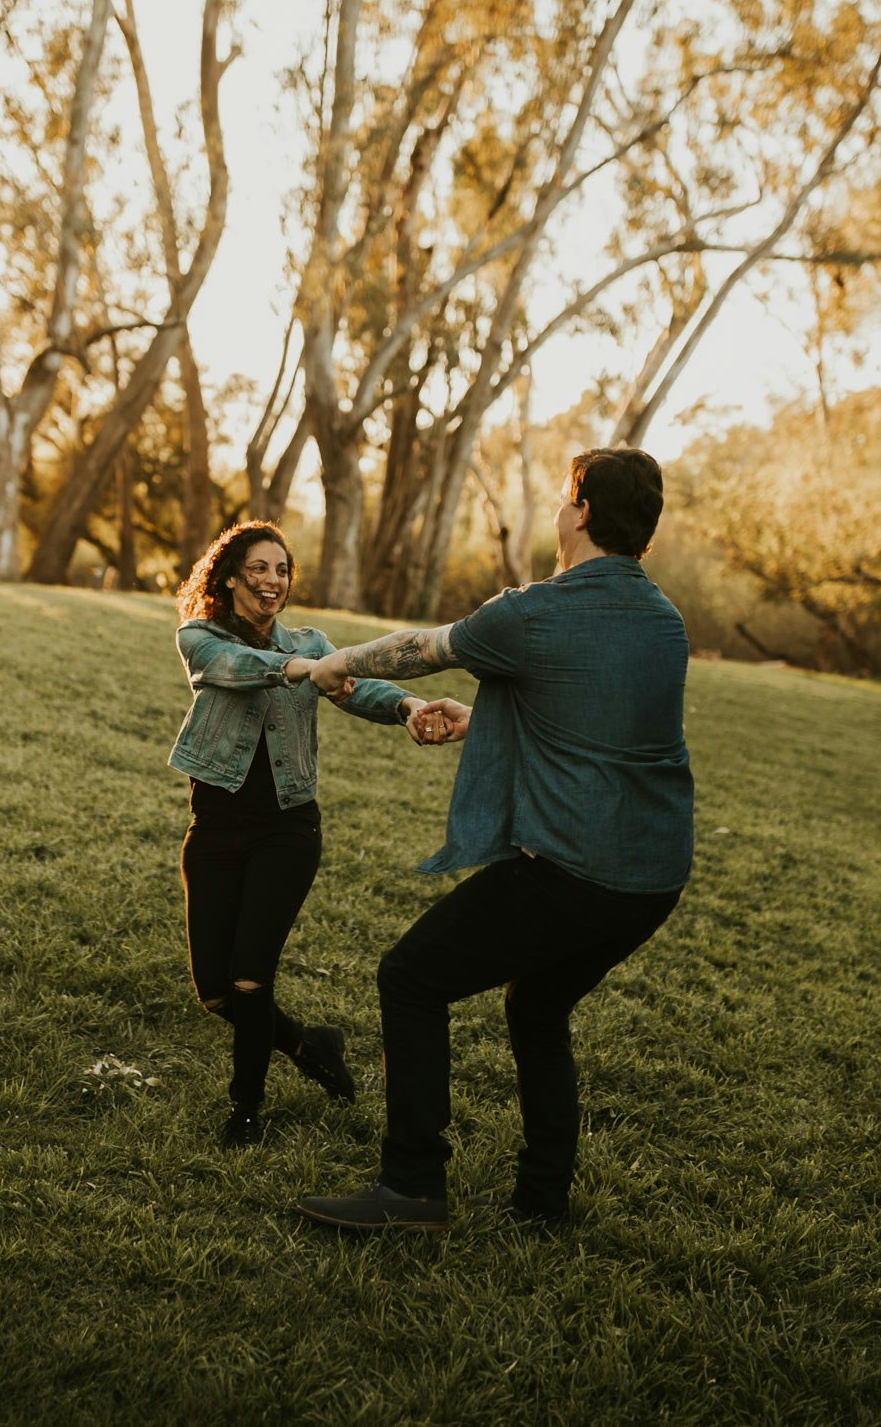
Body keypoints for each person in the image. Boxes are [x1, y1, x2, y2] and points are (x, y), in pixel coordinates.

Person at [295, 446, 693, 1231]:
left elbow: (424, 648)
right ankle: (542, 1204)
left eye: (561, 498)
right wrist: (488, 721)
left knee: (412, 977)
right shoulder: (662, 619)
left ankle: (411, 1189)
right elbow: (603, 728)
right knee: (538, 1007)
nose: (556, 510)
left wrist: (331, 664)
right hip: (652, 879)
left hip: (576, 873)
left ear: (580, 512)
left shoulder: (537, 610)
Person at [169, 521, 454, 1148]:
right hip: (214, 829)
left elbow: (357, 686)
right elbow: (235, 666)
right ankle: (306, 1043)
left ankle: (245, 1108)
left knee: (250, 979)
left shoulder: (312, 642)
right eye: (260, 568)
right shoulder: (202, 636)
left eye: (282, 570)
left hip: (287, 830)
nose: (273, 582)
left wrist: (407, 706)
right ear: (230, 574)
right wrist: (304, 669)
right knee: (216, 993)